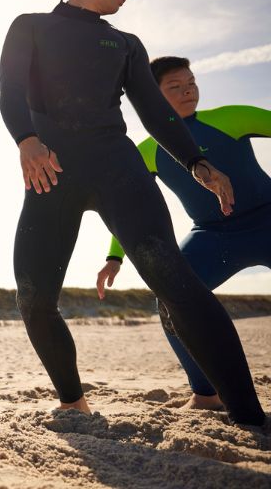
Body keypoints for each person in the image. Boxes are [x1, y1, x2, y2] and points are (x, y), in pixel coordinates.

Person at [0, 0, 265, 426]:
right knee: (34, 298)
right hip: (51, 174)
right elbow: (10, 91)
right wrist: (27, 139)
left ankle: (248, 415)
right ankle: (73, 402)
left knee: (179, 287)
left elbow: (156, 112)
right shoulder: (31, 26)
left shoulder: (124, 43)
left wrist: (197, 163)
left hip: (119, 171)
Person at [96, 57, 271, 410]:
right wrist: (115, 257)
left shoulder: (233, 117)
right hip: (214, 236)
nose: (188, 89)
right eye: (175, 86)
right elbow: (130, 210)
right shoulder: (148, 152)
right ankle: (207, 394)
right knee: (169, 300)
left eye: (191, 82)